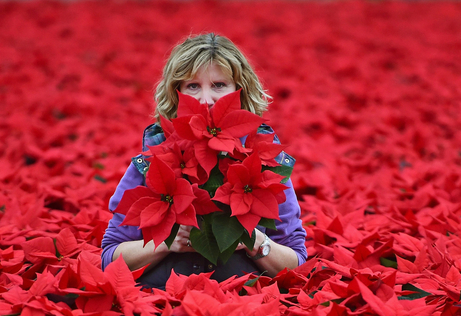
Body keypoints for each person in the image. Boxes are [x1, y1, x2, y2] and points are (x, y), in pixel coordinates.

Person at [100, 33, 306, 289]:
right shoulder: (150, 163)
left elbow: (296, 262)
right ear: (177, 94)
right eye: (193, 86)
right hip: (163, 306)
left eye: (219, 85)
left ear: (240, 92)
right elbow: (109, 258)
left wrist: (255, 241)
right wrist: (166, 243)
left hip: (243, 310)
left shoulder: (267, 164)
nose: (206, 99)